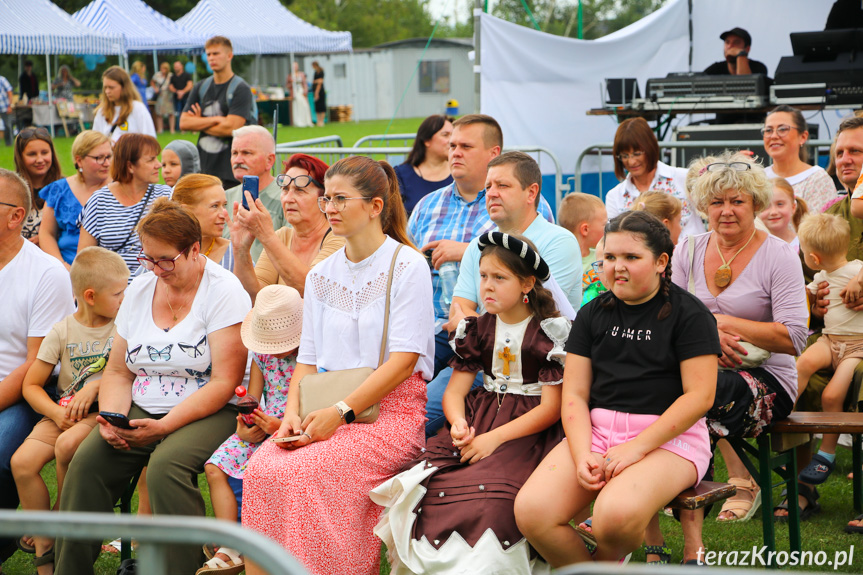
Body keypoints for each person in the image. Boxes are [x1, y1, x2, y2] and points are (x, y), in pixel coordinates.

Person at [241, 156, 434, 575]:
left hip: (389, 414)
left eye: (341, 199)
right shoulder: (321, 274)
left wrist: (341, 413)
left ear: (375, 206)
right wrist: (291, 415)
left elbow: (403, 363)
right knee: (263, 468)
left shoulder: (407, 265)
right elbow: (307, 360)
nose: (329, 206)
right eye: (327, 197)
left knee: (312, 472)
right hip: (322, 409)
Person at [55, 198, 251, 575]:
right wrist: (112, 417)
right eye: (148, 259)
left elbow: (225, 381)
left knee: (165, 467)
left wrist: (164, 426)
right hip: (143, 403)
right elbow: (118, 372)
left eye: (165, 260)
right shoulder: (141, 290)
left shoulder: (224, 292)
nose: (156, 269)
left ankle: (181, 568)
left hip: (210, 406)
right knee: (86, 464)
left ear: (194, 250)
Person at [515, 210, 720, 567]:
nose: (617, 267)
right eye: (609, 257)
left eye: (631, 257)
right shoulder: (593, 314)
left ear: (661, 262)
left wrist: (636, 449)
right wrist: (582, 455)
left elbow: (699, 397)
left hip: (670, 441)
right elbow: (575, 395)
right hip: (596, 435)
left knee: (614, 518)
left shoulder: (691, 315)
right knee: (532, 512)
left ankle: (608, 559)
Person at [373, 231, 569, 574]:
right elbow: (455, 392)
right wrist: (458, 422)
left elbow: (551, 408)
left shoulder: (548, 333)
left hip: (529, 431)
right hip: (481, 419)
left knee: (494, 496)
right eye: (483, 277)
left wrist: (494, 438)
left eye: (499, 278)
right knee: (432, 485)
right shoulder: (477, 329)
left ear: (527, 285)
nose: (487, 286)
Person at [672, 153, 807, 561]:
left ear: (756, 204)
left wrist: (718, 321)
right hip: (701, 373)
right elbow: (671, 321)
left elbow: (795, 338)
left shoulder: (779, 255)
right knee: (657, 386)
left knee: (693, 394)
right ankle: (674, 515)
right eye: (716, 202)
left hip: (767, 380)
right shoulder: (688, 249)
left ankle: (687, 485)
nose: (726, 211)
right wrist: (707, 334)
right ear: (703, 206)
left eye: (737, 201)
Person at [432, 152, 580, 435]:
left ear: (531, 192)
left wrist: (477, 328)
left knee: (427, 417)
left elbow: (534, 317)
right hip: (481, 357)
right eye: (487, 187)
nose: (491, 194)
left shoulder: (558, 241)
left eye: (503, 185)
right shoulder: (478, 245)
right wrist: (478, 332)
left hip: (534, 372)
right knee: (423, 409)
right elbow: (459, 312)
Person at [408, 114, 554, 379]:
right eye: (452, 146)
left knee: (436, 399)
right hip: (424, 326)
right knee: (396, 388)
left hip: (493, 331)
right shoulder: (426, 206)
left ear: (493, 153)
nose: (455, 153)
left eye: (466, 147)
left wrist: (464, 251)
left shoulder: (524, 203)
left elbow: (534, 268)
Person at [11, 247, 128, 574]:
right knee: (21, 463)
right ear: (90, 296)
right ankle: (44, 539)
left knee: (67, 447)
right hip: (62, 413)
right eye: (118, 293)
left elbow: (126, 374)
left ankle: (64, 522)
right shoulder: (62, 330)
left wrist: (94, 388)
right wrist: (55, 412)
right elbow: (31, 385)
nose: (125, 298)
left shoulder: (123, 327)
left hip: (96, 414)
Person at [0, 168, 74, 571]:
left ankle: (8, 539)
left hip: (28, 391)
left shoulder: (46, 274)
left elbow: (34, 365)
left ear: (16, 216)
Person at [201, 284, 301, 574]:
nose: (277, 350)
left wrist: (278, 426)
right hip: (264, 424)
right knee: (215, 465)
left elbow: (312, 407)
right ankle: (229, 543)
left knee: (259, 469)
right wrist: (244, 422)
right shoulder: (263, 354)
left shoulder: (311, 356)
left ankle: (255, 541)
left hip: (294, 427)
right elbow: (253, 398)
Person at [795, 214, 863, 487]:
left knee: (831, 394)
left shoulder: (856, 268)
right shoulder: (821, 276)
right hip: (829, 340)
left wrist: (859, 280)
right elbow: (803, 297)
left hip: (857, 346)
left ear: (814, 257)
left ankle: (827, 453)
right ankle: (778, 414)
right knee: (801, 365)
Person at [231, 153, 344, 300]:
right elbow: (253, 297)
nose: (288, 199)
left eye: (299, 190)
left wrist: (265, 234)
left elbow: (310, 290)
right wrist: (240, 250)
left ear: (323, 201)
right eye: (285, 189)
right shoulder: (281, 236)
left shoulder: (338, 238)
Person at [77, 133, 172, 274]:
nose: (158, 165)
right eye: (151, 160)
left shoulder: (166, 196)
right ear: (130, 166)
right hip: (111, 288)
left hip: (156, 284)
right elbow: (84, 258)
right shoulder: (99, 201)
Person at [605, 118, 704, 240]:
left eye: (637, 153)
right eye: (625, 156)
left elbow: (711, 214)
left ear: (650, 148)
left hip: (693, 256)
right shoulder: (615, 196)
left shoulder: (684, 177)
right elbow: (614, 238)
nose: (631, 161)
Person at [181, 36, 255, 189]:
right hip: (203, 168)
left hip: (232, 172)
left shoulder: (241, 89)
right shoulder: (201, 87)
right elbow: (183, 122)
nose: (211, 58)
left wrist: (199, 121)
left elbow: (231, 128)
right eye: (208, 54)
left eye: (216, 53)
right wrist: (218, 120)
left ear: (229, 56)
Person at [38, 130, 112, 268]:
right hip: (66, 267)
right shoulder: (58, 190)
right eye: (99, 158)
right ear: (79, 160)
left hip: (108, 270)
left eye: (109, 156)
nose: (107, 163)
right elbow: (46, 233)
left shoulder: (119, 189)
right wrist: (61, 266)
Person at [222, 126, 286, 262]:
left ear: (270, 160)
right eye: (234, 153)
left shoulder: (286, 197)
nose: (238, 160)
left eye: (247, 153)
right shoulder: (223, 198)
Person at [763, 106, 837, 213]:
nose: (774, 136)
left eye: (782, 129)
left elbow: (824, 226)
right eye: (768, 130)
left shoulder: (817, 179)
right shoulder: (759, 179)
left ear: (803, 137)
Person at [171, 174, 232, 271]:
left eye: (224, 205)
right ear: (186, 211)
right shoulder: (163, 251)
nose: (223, 214)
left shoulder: (233, 252)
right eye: (215, 206)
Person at [394, 115, 454, 214]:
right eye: (445, 135)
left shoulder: (461, 174)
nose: (452, 141)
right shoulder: (401, 175)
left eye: (453, 135)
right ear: (426, 140)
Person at [14, 127, 63, 244]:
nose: (40, 159)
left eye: (44, 153)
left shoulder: (65, 187)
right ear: (20, 157)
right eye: (32, 154)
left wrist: (47, 238)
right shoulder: (11, 189)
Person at [558, 192, 608, 307]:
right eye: (604, 225)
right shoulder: (564, 262)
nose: (607, 229)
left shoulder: (604, 256)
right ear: (585, 229)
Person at [92, 66, 156, 143]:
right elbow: (95, 143)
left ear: (124, 87)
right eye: (105, 88)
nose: (107, 91)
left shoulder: (138, 108)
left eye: (111, 87)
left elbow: (150, 141)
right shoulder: (102, 112)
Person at [759, 177, 808, 250]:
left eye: (780, 204)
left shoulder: (804, 246)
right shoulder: (752, 247)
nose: (773, 212)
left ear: (793, 207)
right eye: (766, 206)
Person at [703, 27, 768, 76]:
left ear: (747, 49)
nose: (730, 46)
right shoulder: (716, 68)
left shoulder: (758, 67)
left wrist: (741, 54)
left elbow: (745, 85)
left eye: (736, 42)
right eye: (727, 42)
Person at [168, 61, 192, 133]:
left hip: (186, 97)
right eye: (175, 66)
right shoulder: (172, 77)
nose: (176, 68)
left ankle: (191, 129)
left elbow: (190, 85)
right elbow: (170, 86)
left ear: (182, 66)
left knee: (188, 113)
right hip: (176, 98)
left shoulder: (187, 75)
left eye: (177, 66)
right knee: (178, 113)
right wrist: (177, 92)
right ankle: (180, 128)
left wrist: (183, 92)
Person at [151, 62, 174, 135]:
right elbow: (152, 82)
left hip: (168, 95)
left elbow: (174, 84)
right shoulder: (157, 75)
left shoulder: (170, 75)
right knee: (159, 113)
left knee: (170, 112)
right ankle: (160, 129)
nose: (162, 70)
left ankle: (172, 129)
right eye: (161, 68)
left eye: (164, 68)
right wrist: (155, 89)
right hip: (160, 95)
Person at [287, 62, 312, 128]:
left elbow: (305, 84)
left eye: (296, 66)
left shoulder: (301, 74)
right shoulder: (290, 75)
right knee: (296, 107)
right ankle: (298, 122)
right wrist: (291, 83)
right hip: (295, 93)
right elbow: (287, 85)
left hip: (301, 92)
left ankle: (306, 121)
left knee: (304, 105)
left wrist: (305, 91)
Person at [311, 61, 326, 127]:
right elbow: (314, 81)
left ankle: (321, 121)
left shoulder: (321, 72)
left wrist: (317, 92)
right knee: (317, 107)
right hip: (315, 90)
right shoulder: (315, 73)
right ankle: (318, 121)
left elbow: (320, 82)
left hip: (320, 91)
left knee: (322, 106)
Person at [1, 74, 14, 147]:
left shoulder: (2, 80)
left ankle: (9, 143)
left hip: (5, 107)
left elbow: (10, 92)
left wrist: (9, 105)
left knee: (7, 125)